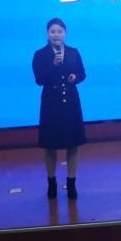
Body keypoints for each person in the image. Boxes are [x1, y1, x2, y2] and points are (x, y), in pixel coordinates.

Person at [32, 18, 86, 199]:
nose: (56, 35)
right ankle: (51, 182)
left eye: (60, 31)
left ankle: (71, 183)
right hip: (51, 104)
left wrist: (75, 77)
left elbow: (82, 73)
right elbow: (39, 79)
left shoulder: (73, 52)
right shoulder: (40, 54)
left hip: (71, 102)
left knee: (73, 144)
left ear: (65, 33)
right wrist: (53, 65)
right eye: (53, 31)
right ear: (47, 34)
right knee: (50, 146)